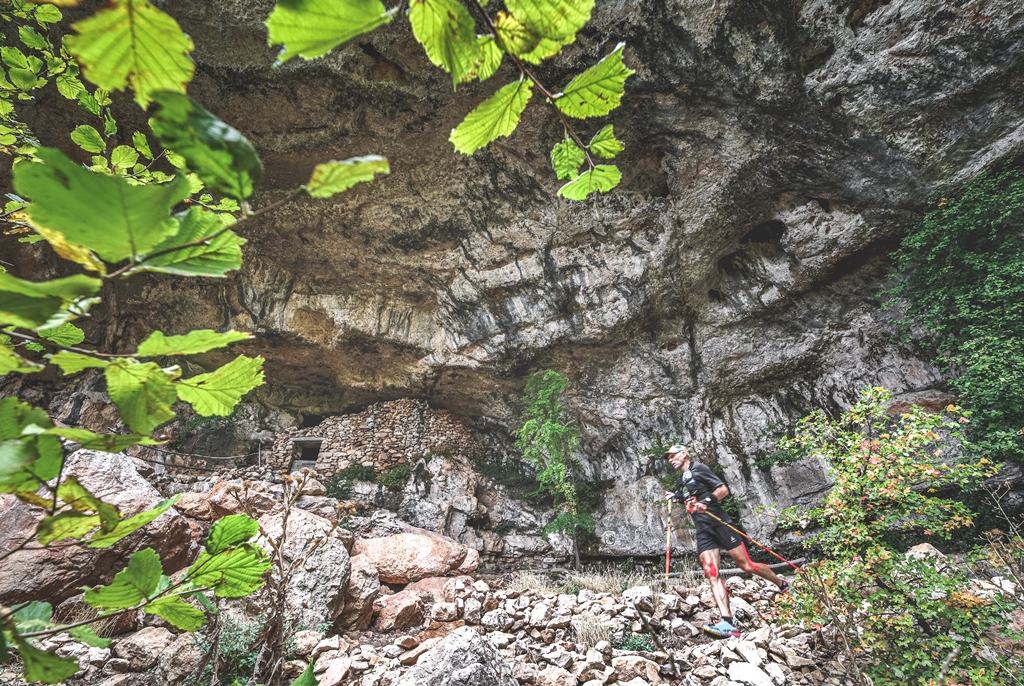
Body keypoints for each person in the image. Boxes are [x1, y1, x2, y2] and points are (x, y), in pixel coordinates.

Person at [663, 444, 790, 638]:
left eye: (673, 455)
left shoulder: (699, 469)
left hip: (720, 524)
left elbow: (722, 490)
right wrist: (676, 497)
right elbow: (688, 498)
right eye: (669, 458)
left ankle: (782, 584)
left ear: (684, 453)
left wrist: (706, 502)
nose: (671, 460)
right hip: (704, 531)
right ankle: (728, 623)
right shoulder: (681, 481)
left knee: (746, 566)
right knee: (711, 573)